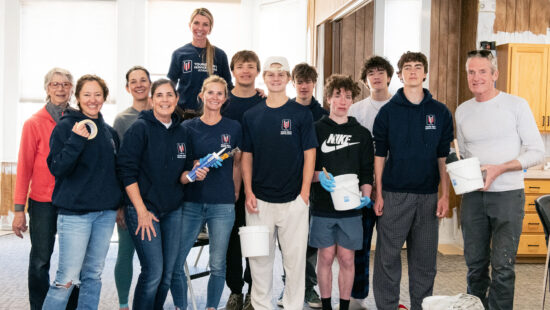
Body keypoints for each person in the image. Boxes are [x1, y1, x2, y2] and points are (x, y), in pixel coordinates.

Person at [456, 50, 544, 309]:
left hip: (507, 195)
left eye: (483, 71)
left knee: (503, 266)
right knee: (475, 266)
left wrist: (501, 168)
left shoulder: (516, 105)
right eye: (471, 72)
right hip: (473, 196)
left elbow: (537, 151)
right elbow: (464, 154)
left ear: (495, 74)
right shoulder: (462, 111)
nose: (476, 77)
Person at [372, 51, 453, 310]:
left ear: (425, 73)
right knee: (387, 259)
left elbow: (444, 157)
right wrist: (379, 193)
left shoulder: (440, 112)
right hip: (395, 195)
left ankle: (421, 306)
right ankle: (387, 306)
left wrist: (445, 194)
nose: (413, 71)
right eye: (408, 67)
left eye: (418, 67)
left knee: (425, 262)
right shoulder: (387, 112)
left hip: (428, 197)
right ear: (400, 75)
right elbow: (379, 156)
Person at [117, 78, 205, 310]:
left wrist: (195, 173)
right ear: (152, 99)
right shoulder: (140, 128)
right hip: (144, 209)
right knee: (154, 272)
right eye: (160, 95)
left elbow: (183, 176)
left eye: (169, 95)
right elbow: (127, 173)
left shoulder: (181, 132)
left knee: (167, 274)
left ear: (176, 99)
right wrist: (141, 211)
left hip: (172, 210)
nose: (165, 100)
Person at [242, 56, 317, 310]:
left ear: (288, 79)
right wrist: (249, 191)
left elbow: (310, 154)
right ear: (264, 77)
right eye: (270, 73)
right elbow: (247, 157)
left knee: (295, 263)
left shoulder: (301, 114)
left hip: (294, 201)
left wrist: (304, 193)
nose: (275, 78)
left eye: (281, 73)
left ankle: (293, 305)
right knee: (259, 261)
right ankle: (261, 306)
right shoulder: (251, 115)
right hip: (258, 202)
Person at [43, 74, 122, 310]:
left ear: (104, 98)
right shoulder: (66, 127)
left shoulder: (109, 132)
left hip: (104, 215)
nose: (92, 99)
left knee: (93, 276)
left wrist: (118, 205)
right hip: (75, 215)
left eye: (98, 94)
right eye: (87, 94)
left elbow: (114, 172)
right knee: (66, 279)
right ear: (77, 97)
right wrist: (76, 140)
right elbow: (57, 168)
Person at [171, 75, 242, 310]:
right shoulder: (187, 127)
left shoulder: (233, 128)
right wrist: (194, 166)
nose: (214, 97)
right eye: (210, 92)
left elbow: (239, 162)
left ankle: (211, 307)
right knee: (176, 262)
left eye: (219, 93)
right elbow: (179, 164)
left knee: (218, 264)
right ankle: (181, 306)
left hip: (222, 205)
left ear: (225, 98)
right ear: (201, 95)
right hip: (191, 202)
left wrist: (236, 192)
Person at [11, 67, 79, 310]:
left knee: (73, 261)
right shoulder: (33, 123)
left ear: (71, 89)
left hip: (73, 200)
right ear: (47, 88)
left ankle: (72, 306)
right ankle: (38, 306)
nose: (60, 89)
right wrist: (19, 209)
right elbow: (25, 168)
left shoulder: (80, 120)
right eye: (55, 84)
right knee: (41, 259)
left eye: (65, 84)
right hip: (42, 202)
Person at [310, 74, 374, 310]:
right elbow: (307, 168)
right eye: (337, 96)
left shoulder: (362, 134)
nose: (342, 101)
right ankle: (327, 305)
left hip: (351, 210)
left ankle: (344, 306)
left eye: (348, 96)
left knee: (347, 259)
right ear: (328, 99)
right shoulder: (315, 130)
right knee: (325, 258)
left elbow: (367, 172)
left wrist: (366, 194)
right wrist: (318, 177)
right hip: (323, 207)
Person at [276, 62, 327, 309]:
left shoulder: (323, 115)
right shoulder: (283, 109)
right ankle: (289, 287)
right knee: (287, 241)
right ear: (292, 83)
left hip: (315, 186)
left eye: (308, 81)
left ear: (313, 84)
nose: (304, 86)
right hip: (286, 184)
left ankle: (308, 288)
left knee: (308, 242)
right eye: (299, 81)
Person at [347, 55, 393, 309]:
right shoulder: (356, 110)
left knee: (388, 250)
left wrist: (382, 186)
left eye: (381, 72)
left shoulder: (399, 106)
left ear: (389, 76)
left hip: (392, 188)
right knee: (360, 247)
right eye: (371, 73)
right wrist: (367, 184)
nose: (376, 77)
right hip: (362, 189)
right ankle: (357, 297)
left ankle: (387, 299)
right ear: (365, 80)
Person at [222, 50, 263, 310]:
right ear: (233, 71)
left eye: (250, 66)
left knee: (256, 238)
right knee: (232, 239)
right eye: (240, 66)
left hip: (258, 180)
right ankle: (235, 290)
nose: (245, 71)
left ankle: (253, 290)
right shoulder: (224, 101)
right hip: (226, 182)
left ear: (257, 71)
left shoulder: (264, 102)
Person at [113, 65, 152, 310]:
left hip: (159, 198)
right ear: (128, 87)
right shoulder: (122, 120)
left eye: (143, 80)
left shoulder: (164, 111)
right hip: (129, 198)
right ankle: (124, 304)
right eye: (133, 81)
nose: (139, 84)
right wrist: (119, 204)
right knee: (125, 252)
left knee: (156, 261)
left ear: (150, 84)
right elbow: (117, 164)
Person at [167, 7, 233, 114]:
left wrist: (251, 92)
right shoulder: (179, 54)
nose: (200, 28)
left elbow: (229, 87)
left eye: (205, 24)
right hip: (182, 115)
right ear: (190, 25)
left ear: (210, 29)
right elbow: (169, 87)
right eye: (196, 23)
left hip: (211, 115)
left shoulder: (220, 55)